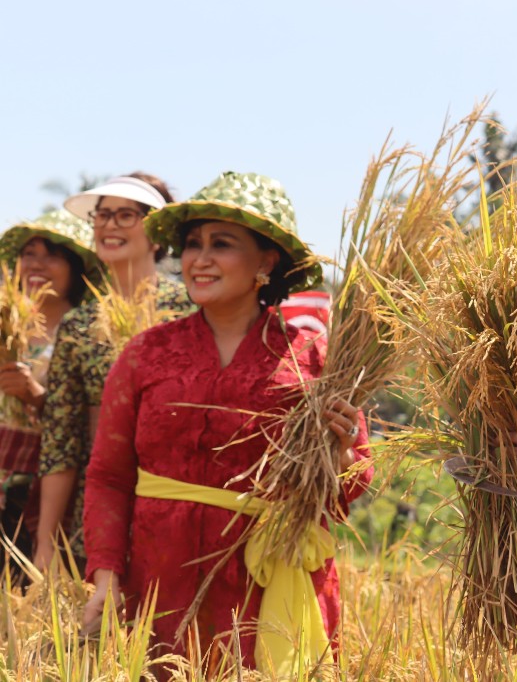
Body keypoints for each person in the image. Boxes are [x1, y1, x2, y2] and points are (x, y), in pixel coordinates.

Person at [81, 171, 373, 675]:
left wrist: (341, 455)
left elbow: (352, 480)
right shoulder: (145, 354)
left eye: (222, 244)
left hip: (268, 579)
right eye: (193, 244)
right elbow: (108, 475)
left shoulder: (313, 360)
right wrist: (105, 575)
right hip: (159, 581)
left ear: (266, 260)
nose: (200, 258)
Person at [34, 173, 194, 572]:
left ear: (156, 234)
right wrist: (45, 544)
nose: (109, 225)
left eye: (126, 216)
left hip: (177, 502)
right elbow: (61, 441)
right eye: (103, 216)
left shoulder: (190, 309)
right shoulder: (80, 325)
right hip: (98, 510)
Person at [0, 210, 101, 570]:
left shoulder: (89, 334)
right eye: (29, 253)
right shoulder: (4, 323)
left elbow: (86, 423)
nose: (37, 264)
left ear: (76, 267)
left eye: (52, 255)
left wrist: (37, 396)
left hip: (44, 488)